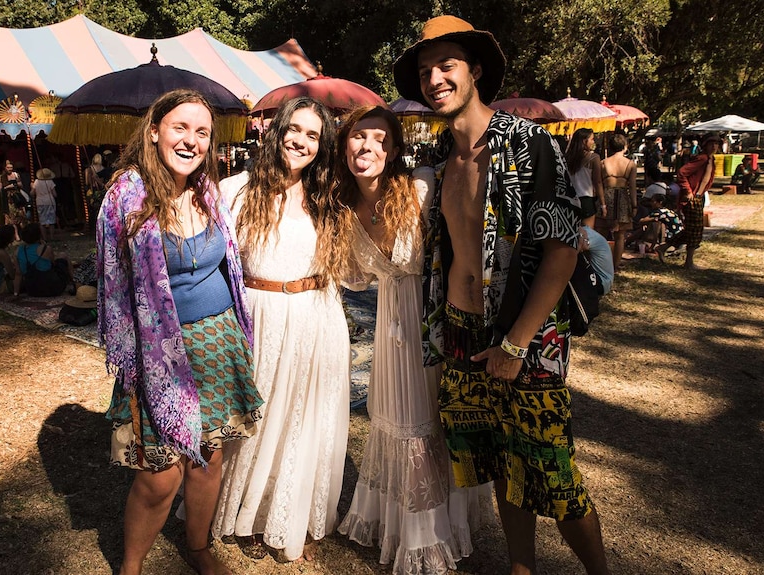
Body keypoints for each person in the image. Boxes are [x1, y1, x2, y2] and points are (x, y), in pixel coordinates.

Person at [393, 15, 610, 574]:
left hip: (527, 341)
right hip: (463, 335)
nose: (434, 79)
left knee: (553, 475)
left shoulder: (528, 143)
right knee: (500, 463)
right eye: (424, 71)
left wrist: (516, 344)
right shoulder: (440, 162)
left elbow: (563, 247)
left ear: (476, 72)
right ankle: (520, 568)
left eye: (446, 66)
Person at [97, 88, 263, 575]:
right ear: (154, 131)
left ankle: (198, 548)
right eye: (180, 127)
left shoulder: (208, 191)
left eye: (202, 132)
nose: (192, 140)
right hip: (160, 355)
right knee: (159, 477)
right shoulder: (125, 197)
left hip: (220, 342)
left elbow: (227, 266)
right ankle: (130, 568)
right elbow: (111, 282)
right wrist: (129, 359)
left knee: (207, 461)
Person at [334, 105, 492, 574]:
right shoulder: (343, 207)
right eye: (359, 137)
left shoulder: (419, 184)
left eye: (381, 139)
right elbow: (354, 278)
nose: (368, 148)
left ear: (396, 149)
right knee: (395, 418)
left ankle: (428, 535)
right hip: (389, 327)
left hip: (435, 324)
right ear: (345, 145)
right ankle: (400, 522)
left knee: (428, 423)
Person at [212, 96, 349, 563]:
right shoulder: (236, 189)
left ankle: (286, 515)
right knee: (258, 420)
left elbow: (354, 266)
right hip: (260, 315)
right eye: (296, 129)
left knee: (302, 422)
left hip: (317, 315)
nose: (302, 141)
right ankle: (243, 515)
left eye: (314, 135)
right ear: (277, 131)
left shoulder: (328, 196)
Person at [676, 133, 720, 270]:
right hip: (693, 197)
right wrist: (688, 191)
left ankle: (664, 247)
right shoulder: (701, 158)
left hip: (700, 196)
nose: (714, 146)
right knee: (694, 230)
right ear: (705, 145)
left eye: (716, 143)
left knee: (692, 230)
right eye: (711, 143)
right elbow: (681, 173)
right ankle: (689, 262)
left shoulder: (710, 159)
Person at [596, 134, 637, 271]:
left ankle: (599, 264)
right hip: (623, 198)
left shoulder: (603, 163)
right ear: (625, 147)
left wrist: (600, 202)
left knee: (600, 232)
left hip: (606, 197)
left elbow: (599, 184)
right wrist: (634, 205)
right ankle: (615, 265)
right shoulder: (630, 164)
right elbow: (632, 186)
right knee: (620, 235)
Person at [14, 222, 73, 297]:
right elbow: (53, 264)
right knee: (63, 256)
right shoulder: (45, 248)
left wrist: (15, 293)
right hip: (52, 288)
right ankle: (75, 282)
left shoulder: (18, 251)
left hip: (32, 290)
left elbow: (18, 274)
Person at [566, 128, 605, 228]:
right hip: (586, 199)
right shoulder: (594, 158)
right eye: (592, 139)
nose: (593, 142)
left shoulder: (568, 158)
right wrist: (602, 204)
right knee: (588, 234)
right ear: (584, 141)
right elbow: (598, 182)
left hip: (569, 199)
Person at [0, 160, 30, 228]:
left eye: (11, 167)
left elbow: (21, 185)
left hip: (17, 196)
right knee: (11, 217)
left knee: (22, 215)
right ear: (5, 168)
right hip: (8, 199)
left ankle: (24, 232)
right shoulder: (1, 177)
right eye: (8, 167)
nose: (10, 169)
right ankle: (15, 235)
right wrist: (7, 188)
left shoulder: (16, 175)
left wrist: (15, 185)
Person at [31, 168, 58, 242]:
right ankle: (52, 237)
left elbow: (32, 193)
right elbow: (54, 194)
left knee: (42, 220)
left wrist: (32, 187)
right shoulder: (50, 181)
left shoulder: (36, 182)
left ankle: (45, 238)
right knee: (51, 220)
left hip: (40, 202)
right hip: (49, 201)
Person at [84, 153, 107, 230]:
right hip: (101, 189)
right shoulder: (103, 168)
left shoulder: (89, 169)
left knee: (92, 208)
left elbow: (87, 182)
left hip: (93, 189)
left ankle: (93, 226)